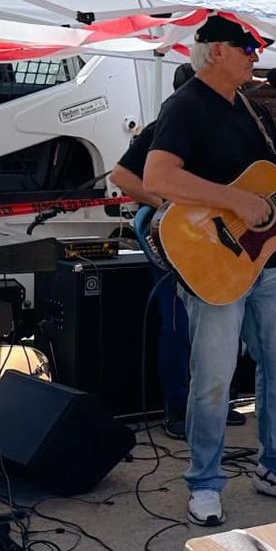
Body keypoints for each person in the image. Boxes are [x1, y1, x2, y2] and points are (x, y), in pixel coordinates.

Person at [142, 15, 276, 526]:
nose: (254, 55)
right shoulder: (185, 106)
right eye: (246, 47)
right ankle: (203, 482)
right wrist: (235, 201)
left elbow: (272, 178)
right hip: (212, 261)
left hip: (263, 261)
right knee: (214, 379)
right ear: (215, 50)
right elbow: (157, 176)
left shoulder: (251, 109)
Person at [110, 120, 194, 439]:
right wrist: (168, 207)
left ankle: (209, 401)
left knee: (216, 317)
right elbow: (121, 175)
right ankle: (178, 406)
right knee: (176, 318)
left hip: (207, 237)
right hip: (169, 231)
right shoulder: (165, 128)